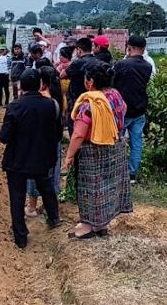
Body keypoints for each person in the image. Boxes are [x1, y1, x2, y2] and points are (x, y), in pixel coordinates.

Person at [62, 61, 132, 239]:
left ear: (90, 82)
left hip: (94, 151)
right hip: (115, 147)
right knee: (108, 187)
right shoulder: (116, 95)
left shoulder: (90, 103)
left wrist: (69, 156)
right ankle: (101, 224)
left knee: (91, 189)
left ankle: (87, 226)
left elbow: (78, 134)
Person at [0, 69, 63, 248]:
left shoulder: (15, 106)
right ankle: (53, 218)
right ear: (40, 85)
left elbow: (4, 137)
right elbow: (58, 135)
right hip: (42, 158)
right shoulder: (52, 105)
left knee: (17, 197)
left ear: (21, 86)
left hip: (17, 160)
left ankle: (21, 237)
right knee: (46, 187)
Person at [25, 63, 63, 218]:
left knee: (35, 175)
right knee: (52, 174)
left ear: (43, 82)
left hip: (40, 142)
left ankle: (32, 207)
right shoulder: (58, 97)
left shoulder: (43, 100)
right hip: (54, 141)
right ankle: (49, 207)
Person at [113, 36, 153, 180]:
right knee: (136, 142)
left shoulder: (121, 65)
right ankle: (132, 174)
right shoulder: (147, 66)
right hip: (140, 109)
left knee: (117, 142)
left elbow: (112, 83)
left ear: (129, 47)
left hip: (122, 111)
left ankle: (117, 171)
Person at [65, 37, 96, 128]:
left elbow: (63, 75)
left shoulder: (77, 63)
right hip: (93, 98)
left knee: (74, 123)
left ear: (79, 50)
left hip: (77, 99)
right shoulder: (97, 61)